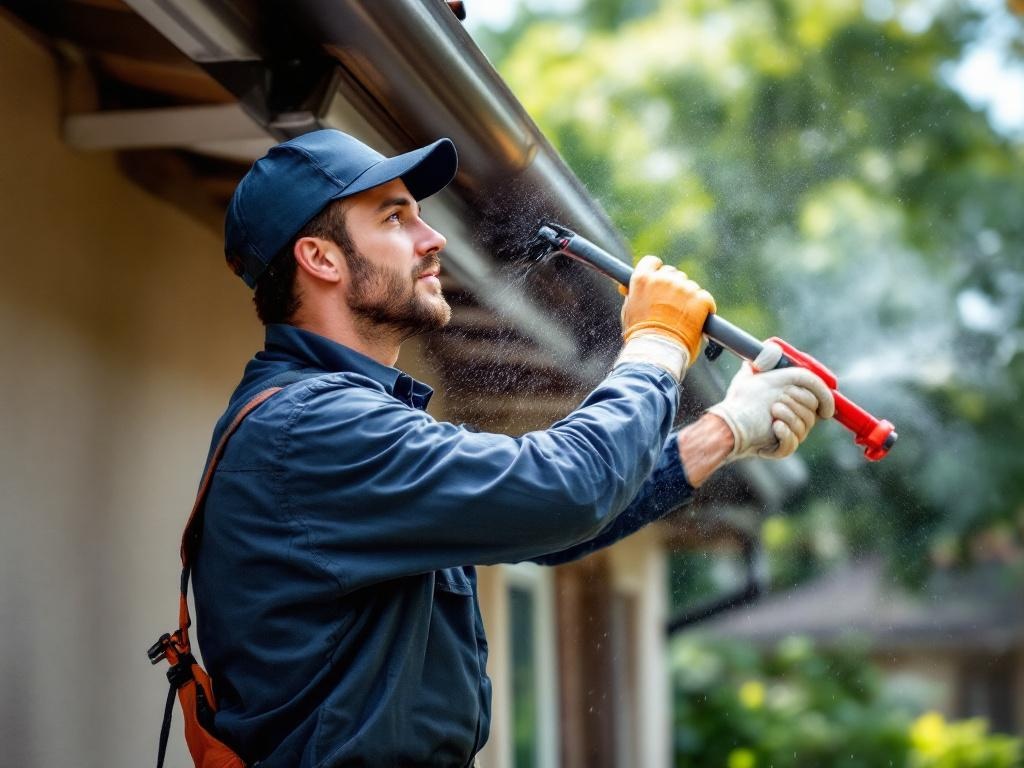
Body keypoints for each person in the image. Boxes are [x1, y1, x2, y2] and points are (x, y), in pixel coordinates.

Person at [193, 129, 834, 767]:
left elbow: (550, 523)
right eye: (395, 217)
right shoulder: (315, 427)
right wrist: (658, 346)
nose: (433, 237)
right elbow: (564, 491)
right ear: (321, 259)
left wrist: (724, 429)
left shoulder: (335, 421)